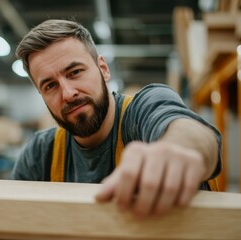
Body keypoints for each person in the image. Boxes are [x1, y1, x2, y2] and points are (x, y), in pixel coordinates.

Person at [12, 19, 222, 218]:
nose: (67, 93)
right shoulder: (39, 155)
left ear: (103, 69)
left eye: (75, 72)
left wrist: (177, 149)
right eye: (50, 86)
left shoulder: (142, 110)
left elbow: (191, 133)